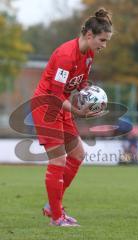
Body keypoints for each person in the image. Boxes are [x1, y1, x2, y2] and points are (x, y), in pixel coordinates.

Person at [31, 8, 113, 227]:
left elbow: (81, 83)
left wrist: (93, 97)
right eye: (102, 40)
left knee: (77, 154)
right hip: (47, 107)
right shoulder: (66, 55)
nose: (104, 45)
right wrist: (78, 112)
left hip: (61, 106)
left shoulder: (89, 54)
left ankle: (52, 205)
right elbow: (56, 95)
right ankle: (57, 218)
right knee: (58, 160)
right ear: (89, 35)